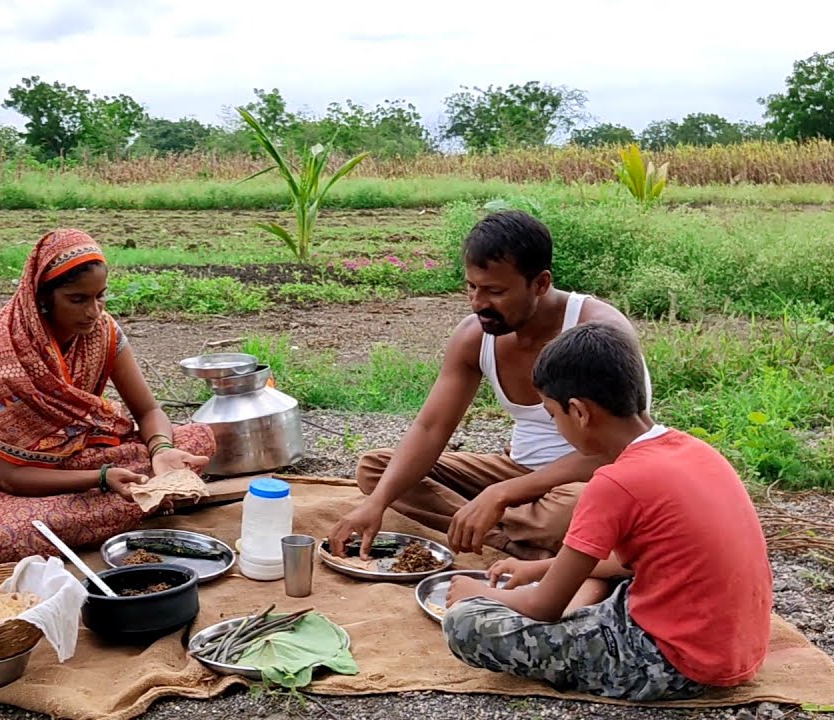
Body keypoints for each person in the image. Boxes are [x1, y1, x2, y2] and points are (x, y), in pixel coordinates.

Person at [441, 323, 772, 701]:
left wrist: (478, 594)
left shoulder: (614, 483)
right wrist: (538, 568)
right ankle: (582, 603)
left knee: (465, 625)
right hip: (737, 648)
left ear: (579, 412)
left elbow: (543, 606)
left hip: (673, 663)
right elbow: (633, 562)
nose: (556, 426)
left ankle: (571, 620)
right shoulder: (695, 450)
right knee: (599, 579)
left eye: (553, 415)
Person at [329, 210, 651, 560]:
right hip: (518, 471)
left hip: (586, 478)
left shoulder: (597, 334)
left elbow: (621, 448)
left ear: (540, 284)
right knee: (377, 470)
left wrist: (501, 495)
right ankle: (511, 541)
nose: (479, 303)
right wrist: (376, 504)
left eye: (495, 291)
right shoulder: (474, 337)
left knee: (570, 509)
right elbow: (431, 427)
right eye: (471, 287)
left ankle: (501, 526)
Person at [0, 229, 216, 562]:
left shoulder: (102, 331)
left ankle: (136, 494)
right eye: (78, 299)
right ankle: (139, 500)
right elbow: (12, 477)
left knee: (196, 439)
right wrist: (101, 478)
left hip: (78, 450)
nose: (93, 311)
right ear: (42, 297)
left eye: (100, 296)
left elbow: (148, 411)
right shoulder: (4, 355)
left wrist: (162, 452)